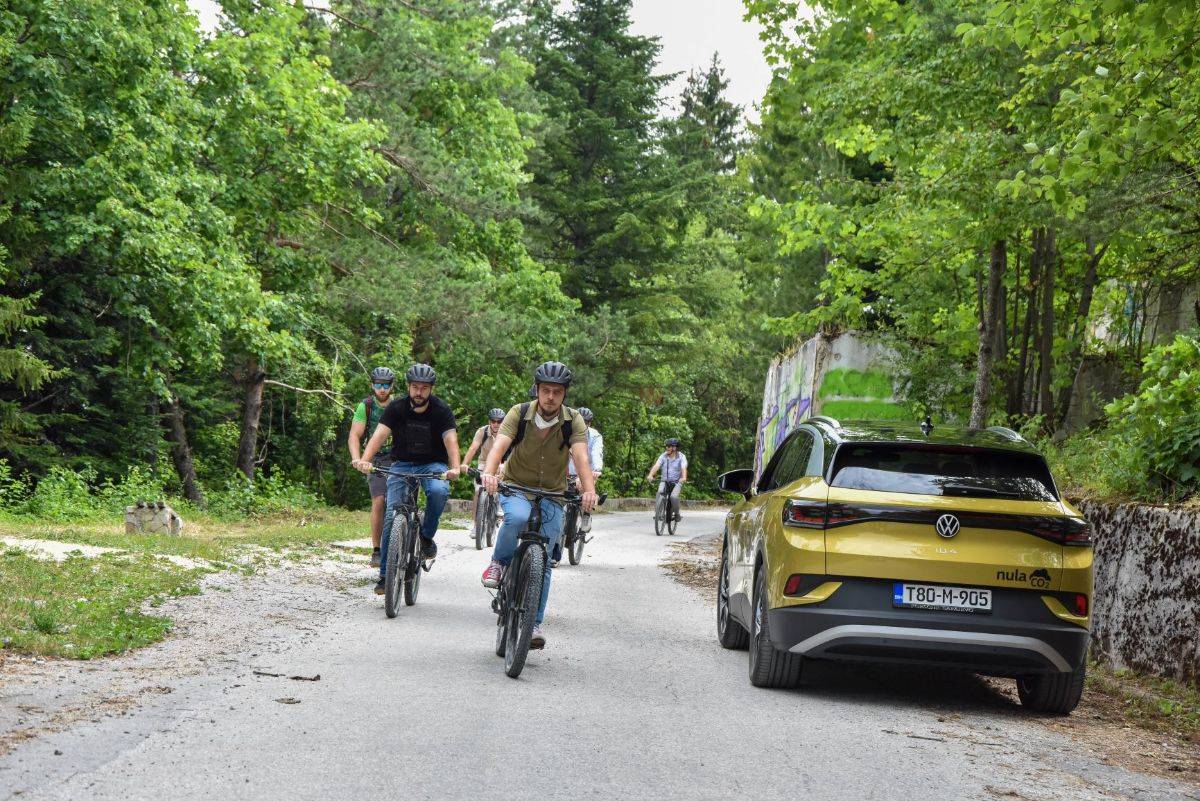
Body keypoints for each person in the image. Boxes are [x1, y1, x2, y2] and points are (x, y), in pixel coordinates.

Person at [478, 362, 598, 649]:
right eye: (546, 391)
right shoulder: (519, 413)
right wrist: (490, 474)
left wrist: (589, 491)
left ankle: (533, 624)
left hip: (553, 494)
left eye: (557, 392)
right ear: (537, 389)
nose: (550, 397)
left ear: (564, 394)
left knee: (543, 559)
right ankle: (499, 563)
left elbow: (581, 458)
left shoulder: (573, 421)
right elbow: (499, 447)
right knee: (516, 518)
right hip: (516, 486)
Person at [353, 363, 461, 595]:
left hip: (433, 464)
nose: (419, 392)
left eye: (424, 388)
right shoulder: (397, 407)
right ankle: (385, 576)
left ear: (431, 389)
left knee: (439, 491)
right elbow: (379, 435)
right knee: (391, 515)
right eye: (415, 387)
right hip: (401, 464)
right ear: (408, 387)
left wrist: (455, 467)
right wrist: (365, 460)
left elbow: (451, 440)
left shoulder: (441, 410)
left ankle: (425, 537)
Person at [347, 367, 396, 567]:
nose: (382, 389)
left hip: (398, 457)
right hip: (375, 458)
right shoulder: (366, 406)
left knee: (400, 501)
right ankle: (377, 550)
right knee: (379, 500)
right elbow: (354, 435)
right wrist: (357, 459)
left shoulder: (399, 405)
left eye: (386, 385)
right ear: (372, 385)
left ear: (392, 386)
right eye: (378, 385)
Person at [556, 406, 602, 563]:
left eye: (586, 422)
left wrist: (596, 470)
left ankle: (586, 515)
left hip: (586, 472)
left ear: (589, 424)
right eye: (581, 421)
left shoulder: (595, 436)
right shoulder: (566, 431)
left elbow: (596, 454)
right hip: (566, 472)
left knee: (587, 489)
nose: (583, 425)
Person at [461, 407, 506, 535]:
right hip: (484, 463)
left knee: (503, 486)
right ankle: (476, 526)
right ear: (489, 421)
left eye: (499, 421)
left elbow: (512, 451)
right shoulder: (483, 431)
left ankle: (499, 507)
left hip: (502, 463)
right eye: (493, 421)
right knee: (478, 490)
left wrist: (504, 465)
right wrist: (465, 464)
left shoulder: (507, 432)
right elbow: (473, 448)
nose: (496, 424)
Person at [646, 438, 688, 522]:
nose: (667, 448)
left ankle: (677, 514)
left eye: (669, 446)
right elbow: (657, 466)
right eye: (666, 446)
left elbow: (683, 467)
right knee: (660, 492)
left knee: (673, 497)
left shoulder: (681, 457)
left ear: (675, 448)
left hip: (677, 482)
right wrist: (650, 475)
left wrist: (683, 478)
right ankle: (658, 513)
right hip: (664, 481)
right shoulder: (663, 456)